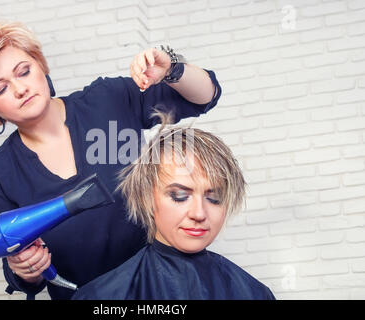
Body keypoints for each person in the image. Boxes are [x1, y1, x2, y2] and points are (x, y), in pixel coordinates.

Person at [0, 22, 221, 300]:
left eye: (24, 71)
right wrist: (25, 270)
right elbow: (21, 273)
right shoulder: (0, 170)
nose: (20, 89)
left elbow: (205, 96)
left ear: (41, 65)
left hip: (161, 290)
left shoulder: (108, 100)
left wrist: (171, 70)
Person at [72, 113, 275, 299]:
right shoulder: (100, 298)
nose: (198, 213)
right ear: (147, 198)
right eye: (179, 196)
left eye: (214, 198)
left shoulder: (255, 294)